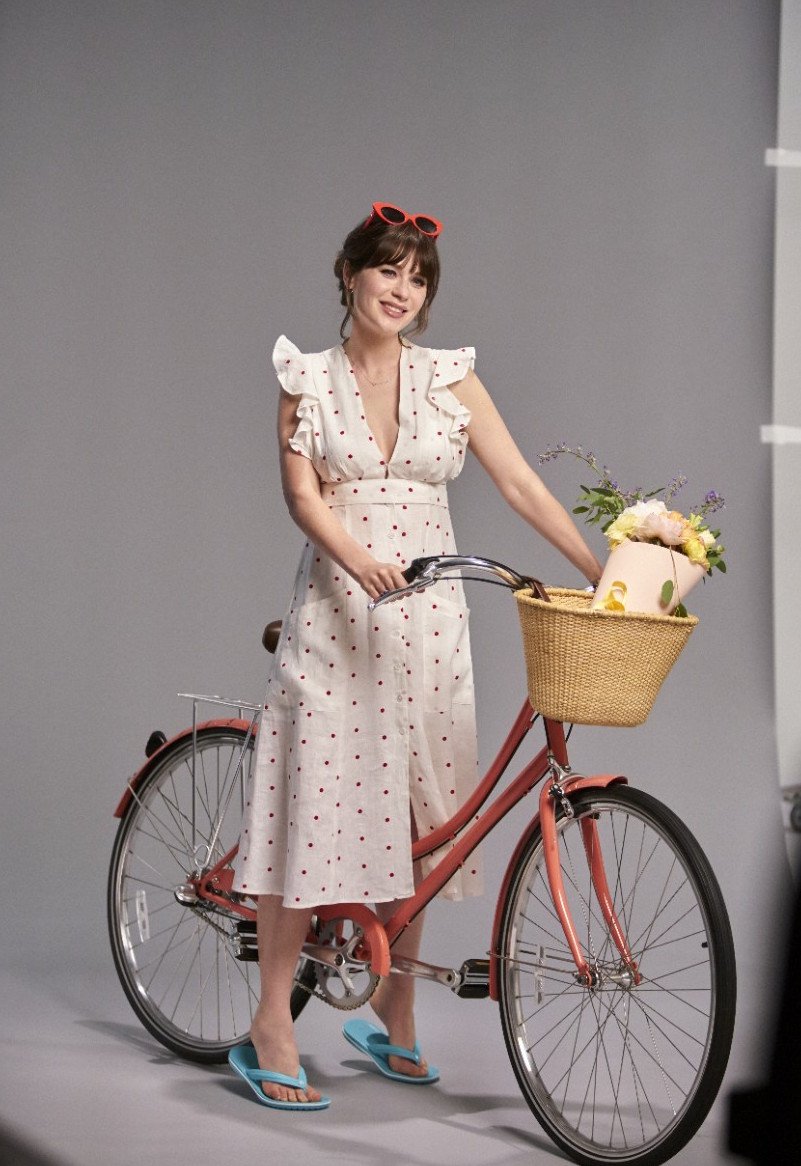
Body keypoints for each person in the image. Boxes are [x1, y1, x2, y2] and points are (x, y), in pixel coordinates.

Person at [230, 202, 603, 1109]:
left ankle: (393, 1010)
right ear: (349, 274)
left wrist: (600, 572)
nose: (402, 290)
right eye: (387, 270)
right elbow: (301, 496)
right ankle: (272, 1020)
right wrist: (357, 559)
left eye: (417, 277)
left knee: (423, 817)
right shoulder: (304, 379)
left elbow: (518, 482)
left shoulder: (450, 380)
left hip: (430, 622)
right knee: (311, 815)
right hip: (337, 612)